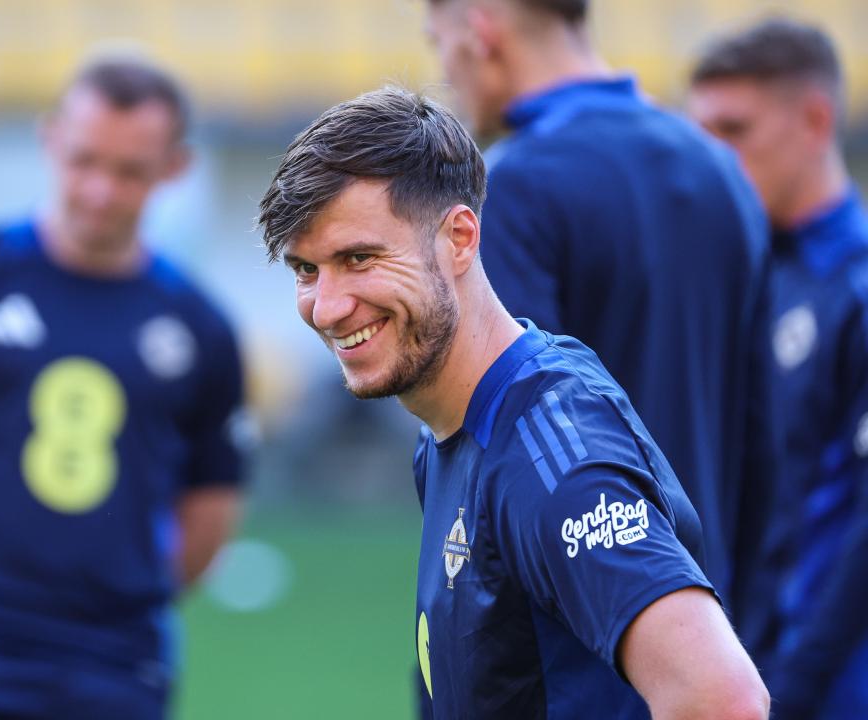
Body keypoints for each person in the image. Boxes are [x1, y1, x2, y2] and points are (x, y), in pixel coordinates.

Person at [258, 86, 768, 719]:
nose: (327, 307)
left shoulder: (550, 456)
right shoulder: (454, 425)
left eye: (358, 258)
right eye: (307, 271)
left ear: (460, 238)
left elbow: (722, 699)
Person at [0, 56, 248, 718]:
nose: (100, 190)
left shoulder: (198, 327)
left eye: (129, 172)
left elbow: (210, 505)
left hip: (116, 655)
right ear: (50, 140)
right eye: (84, 161)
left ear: (173, 168)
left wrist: (126, 593)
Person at [421, 0, 774, 618]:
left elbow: (500, 444)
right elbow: (762, 433)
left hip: (574, 632)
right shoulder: (721, 171)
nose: (446, 71)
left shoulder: (516, 185)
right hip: (705, 621)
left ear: (481, 31)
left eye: (440, 42)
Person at [689, 18, 868, 719]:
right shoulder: (754, 277)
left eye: (735, 131)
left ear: (816, 120)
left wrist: (791, 688)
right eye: (701, 136)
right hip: (749, 668)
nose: (713, 159)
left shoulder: (855, 287)